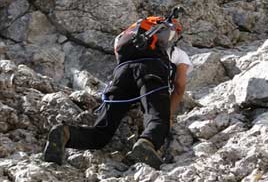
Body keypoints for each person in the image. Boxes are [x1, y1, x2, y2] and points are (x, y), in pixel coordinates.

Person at [43, 15, 192, 169]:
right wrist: (168, 114)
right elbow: (180, 85)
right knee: (158, 120)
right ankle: (145, 145)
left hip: (121, 75)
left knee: (100, 134)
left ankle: (65, 133)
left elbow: (122, 61)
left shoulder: (124, 39)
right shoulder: (176, 52)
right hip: (151, 72)